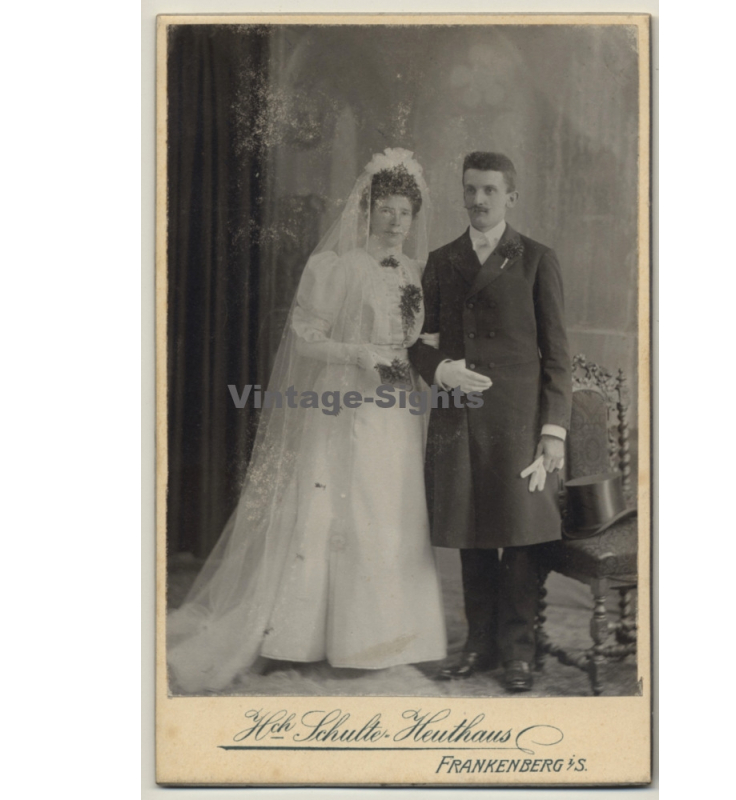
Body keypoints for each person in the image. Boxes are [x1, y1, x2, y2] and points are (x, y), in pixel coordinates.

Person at [168, 148, 447, 693]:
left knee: (389, 511)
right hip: (345, 402)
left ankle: (386, 638)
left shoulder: (416, 272)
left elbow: (417, 341)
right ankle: (309, 636)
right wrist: (358, 354)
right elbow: (306, 339)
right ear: (367, 212)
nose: (395, 222)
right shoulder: (338, 267)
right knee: (341, 509)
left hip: (397, 409)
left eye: (404, 213)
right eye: (386, 210)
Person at [408, 151, 571, 693]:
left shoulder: (536, 259)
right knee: (471, 531)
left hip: (519, 421)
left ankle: (518, 650)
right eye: (471, 189)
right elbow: (418, 344)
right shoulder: (441, 261)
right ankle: (479, 645)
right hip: (459, 415)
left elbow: (558, 356)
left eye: (490, 191)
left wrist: (553, 431)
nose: (479, 200)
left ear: (511, 197)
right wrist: (442, 369)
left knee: (520, 536)